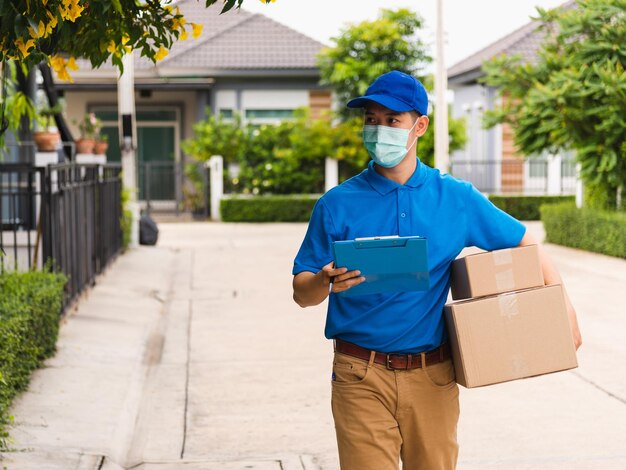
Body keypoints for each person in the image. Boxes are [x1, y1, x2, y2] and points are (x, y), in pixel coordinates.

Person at [291, 70, 582, 470]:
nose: (379, 129)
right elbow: (301, 293)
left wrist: (562, 308)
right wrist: (323, 280)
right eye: (371, 120)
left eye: (392, 120)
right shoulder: (336, 204)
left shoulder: (456, 198)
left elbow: (524, 242)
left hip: (432, 375)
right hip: (359, 374)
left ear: (419, 126)